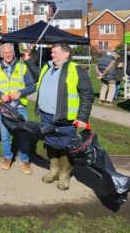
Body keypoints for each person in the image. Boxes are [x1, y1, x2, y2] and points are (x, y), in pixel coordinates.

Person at [36, 43, 93, 191]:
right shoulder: (47, 67)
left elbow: (87, 94)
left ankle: (65, 174)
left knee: (66, 146)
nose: (52, 55)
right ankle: (54, 169)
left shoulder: (75, 69)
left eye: (55, 52)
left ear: (66, 54)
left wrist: (82, 117)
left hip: (65, 117)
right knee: (50, 143)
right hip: (46, 115)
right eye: (52, 52)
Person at [0, 43, 36, 174]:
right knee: (5, 135)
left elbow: (32, 86)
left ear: (14, 53)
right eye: (5, 52)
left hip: (19, 107)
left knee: (23, 134)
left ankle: (25, 160)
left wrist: (21, 92)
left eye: (10, 52)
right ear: (1, 54)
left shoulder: (22, 68)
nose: (8, 54)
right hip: (4, 107)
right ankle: (7, 157)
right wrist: (0, 95)